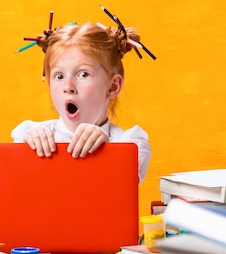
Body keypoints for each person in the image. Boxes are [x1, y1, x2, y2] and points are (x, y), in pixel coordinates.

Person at [11, 14, 153, 183]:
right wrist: (25, 151)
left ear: (113, 86)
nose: (68, 86)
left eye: (83, 74)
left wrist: (108, 152)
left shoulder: (129, 144)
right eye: (59, 76)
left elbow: (122, 186)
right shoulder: (30, 136)